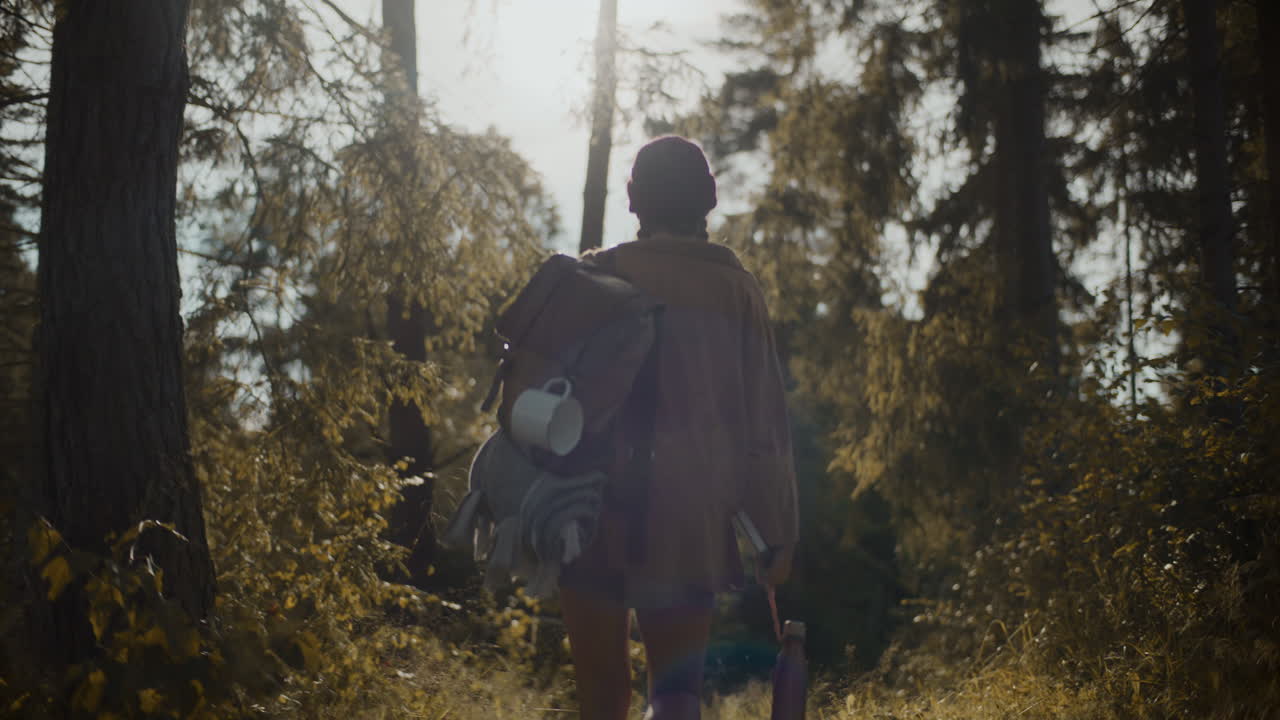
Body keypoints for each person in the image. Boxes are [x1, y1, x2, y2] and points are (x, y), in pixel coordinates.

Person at [558, 136, 799, 720]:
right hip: (687, 520)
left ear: (633, 199)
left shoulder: (594, 277)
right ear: (709, 200)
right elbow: (763, 427)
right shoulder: (736, 290)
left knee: (599, 693)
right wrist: (776, 538)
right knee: (674, 694)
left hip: (588, 513)